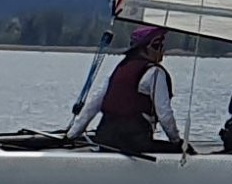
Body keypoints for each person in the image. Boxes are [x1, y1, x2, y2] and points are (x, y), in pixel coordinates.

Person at [68, 25, 182, 154]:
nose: (162, 50)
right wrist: (177, 142)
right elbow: (165, 115)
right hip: (134, 143)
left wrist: (71, 135)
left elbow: (93, 105)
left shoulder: (119, 69)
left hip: (105, 140)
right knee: (182, 149)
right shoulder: (155, 73)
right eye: (158, 45)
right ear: (145, 49)